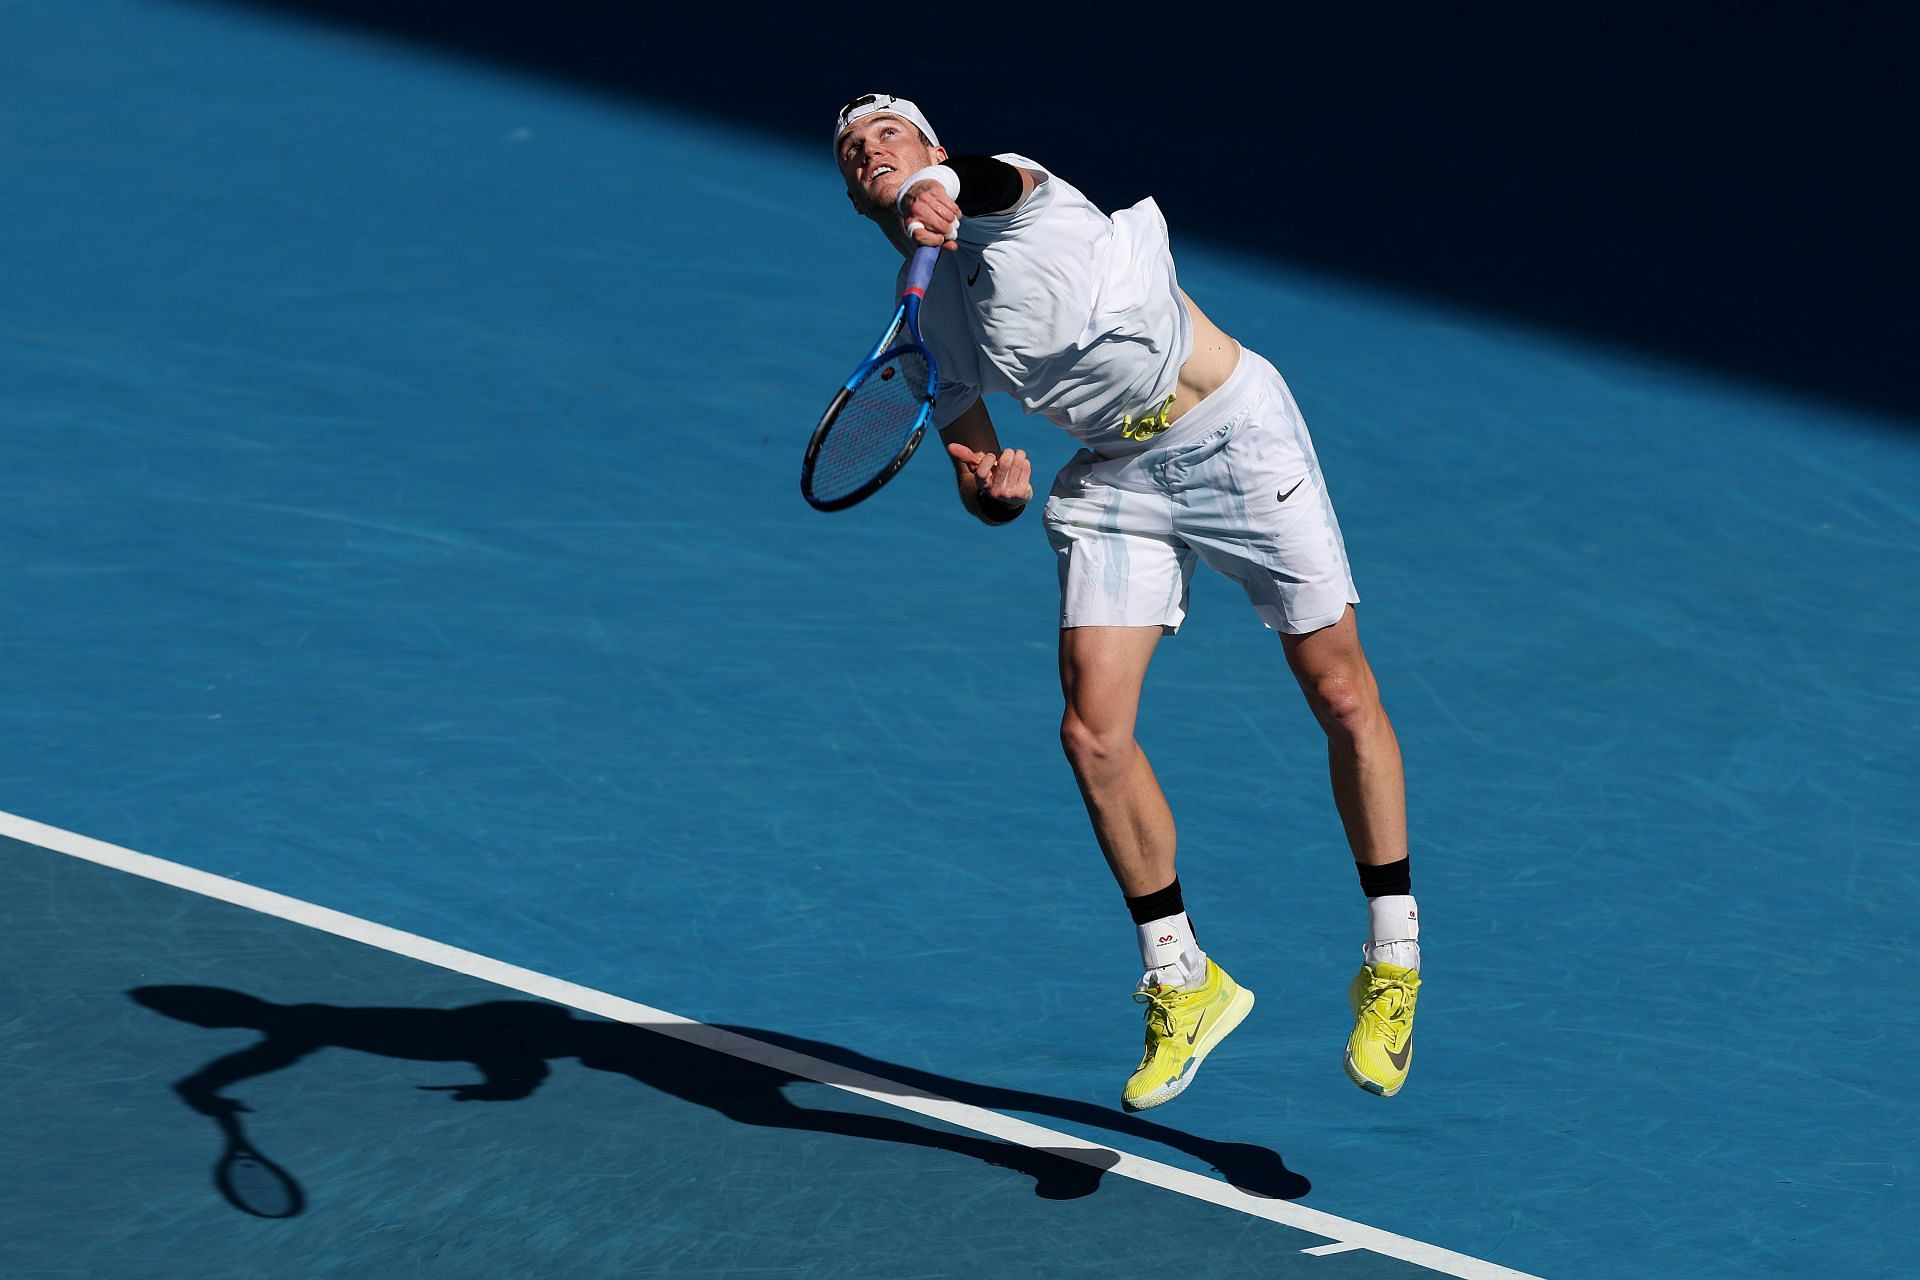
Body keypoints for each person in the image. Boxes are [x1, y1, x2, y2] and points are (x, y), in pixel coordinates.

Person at [832, 94, 1422, 1107]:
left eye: (893, 133)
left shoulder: (1011, 190)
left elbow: (983, 179)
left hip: (1238, 437)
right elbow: (977, 474)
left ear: (932, 148)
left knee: (1339, 693)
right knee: (1091, 734)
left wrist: (940, 186)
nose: (873, 149)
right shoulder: (924, 316)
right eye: (854, 150)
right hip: (1117, 481)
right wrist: (995, 489)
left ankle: (1393, 957)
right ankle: (1183, 979)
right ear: (852, 193)